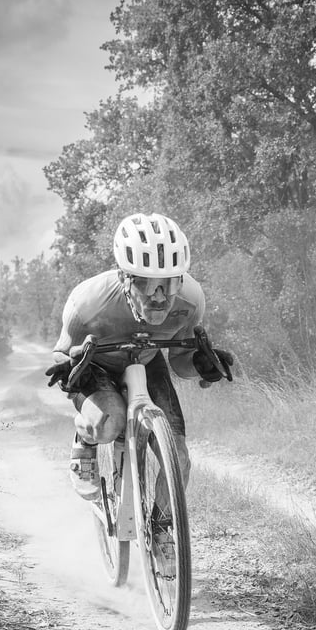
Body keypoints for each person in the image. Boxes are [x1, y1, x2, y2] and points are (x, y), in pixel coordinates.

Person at [45, 212, 232, 501]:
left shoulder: (191, 300)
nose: (159, 297)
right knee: (109, 424)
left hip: (147, 360)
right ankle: (85, 437)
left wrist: (200, 364)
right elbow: (60, 354)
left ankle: (161, 532)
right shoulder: (88, 302)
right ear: (124, 278)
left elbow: (180, 361)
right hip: (96, 365)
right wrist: (66, 368)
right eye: (146, 284)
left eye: (170, 284)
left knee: (179, 459)